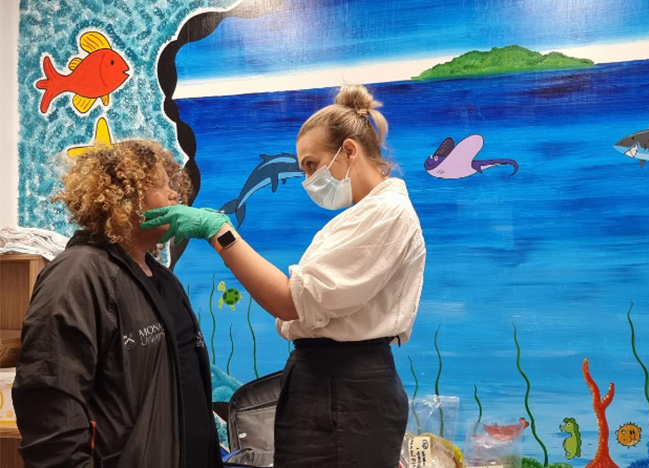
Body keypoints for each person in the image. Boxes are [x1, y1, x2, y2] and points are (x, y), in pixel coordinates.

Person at [141, 84, 426, 467]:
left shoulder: (387, 214)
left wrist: (219, 232)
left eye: (311, 165)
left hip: (347, 389)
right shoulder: (359, 217)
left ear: (349, 151)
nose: (307, 179)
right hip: (325, 382)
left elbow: (290, 301)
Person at [13, 140, 223, 468]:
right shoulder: (77, 274)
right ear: (122, 199)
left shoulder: (163, 279)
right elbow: (50, 405)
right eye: (162, 186)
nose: (174, 197)